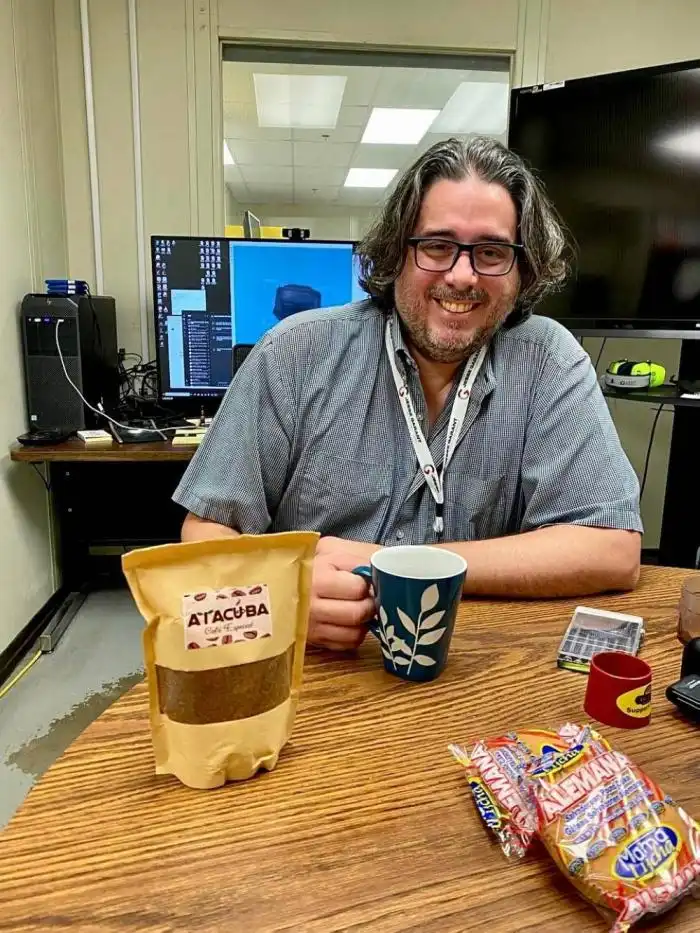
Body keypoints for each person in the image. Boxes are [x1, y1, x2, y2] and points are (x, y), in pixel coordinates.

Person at [174, 136, 643, 652]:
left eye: (491, 252)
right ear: (397, 253)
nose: (462, 275)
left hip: (472, 671)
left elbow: (611, 549)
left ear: (522, 270)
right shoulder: (294, 353)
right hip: (320, 668)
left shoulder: (549, 359)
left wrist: (395, 566)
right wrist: (276, 599)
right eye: (437, 246)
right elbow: (206, 531)